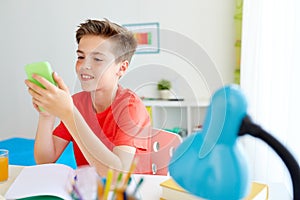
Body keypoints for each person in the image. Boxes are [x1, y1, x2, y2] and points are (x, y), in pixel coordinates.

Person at [25, 19, 152, 177]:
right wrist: (47, 115)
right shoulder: (77, 102)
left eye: (97, 59)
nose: (84, 65)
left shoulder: (130, 107)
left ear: (122, 67)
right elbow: (45, 160)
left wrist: (69, 114)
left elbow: (117, 178)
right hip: (90, 189)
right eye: (80, 57)